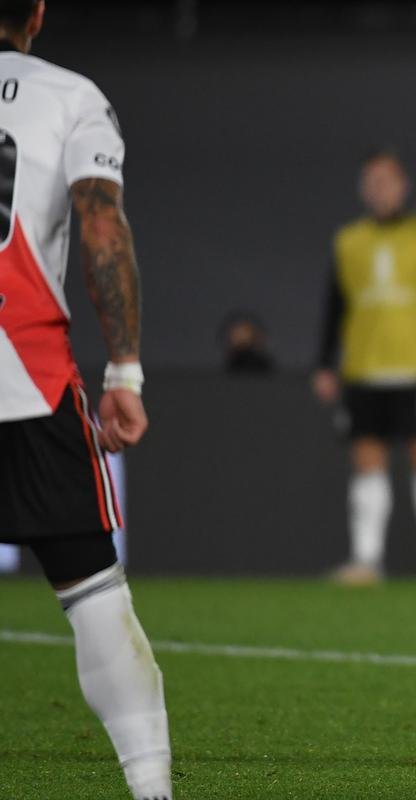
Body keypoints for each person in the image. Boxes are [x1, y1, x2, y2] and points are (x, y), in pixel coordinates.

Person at [0, 2, 172, 798]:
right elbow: (102, 229)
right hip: (27, 383)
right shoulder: (69, 96)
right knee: (94, 595)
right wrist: (124, 373)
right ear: (36, 13)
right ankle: (151, 790)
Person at [313, 150, 416, 586]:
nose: (380, 189)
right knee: (367, 460)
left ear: (403, 185)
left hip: (414, 369)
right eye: (372, 181)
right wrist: (326, 363)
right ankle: (366, 561)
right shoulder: (348, 240)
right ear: (363, 188)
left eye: (387, 180)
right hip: (362, 370)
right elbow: (334, 306)